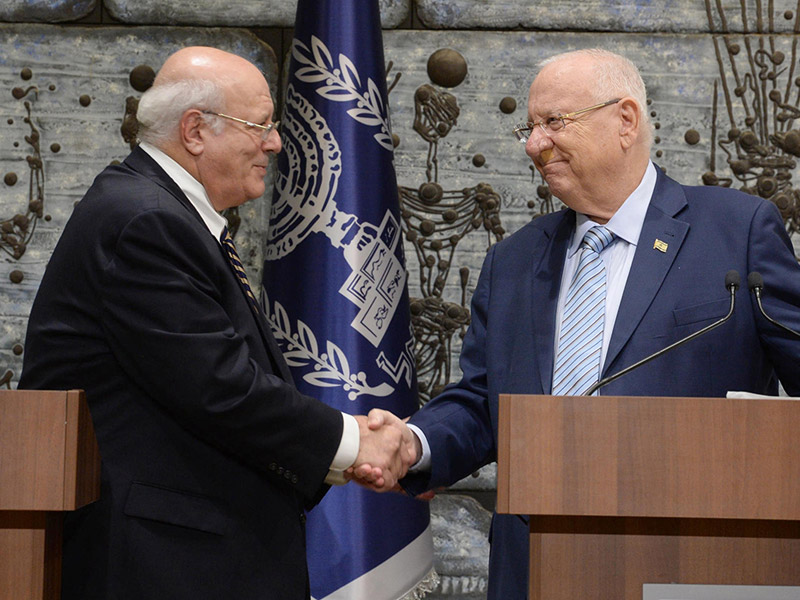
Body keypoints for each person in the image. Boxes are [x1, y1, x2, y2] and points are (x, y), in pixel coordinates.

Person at [359, 48, 800, 599]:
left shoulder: (738, 232)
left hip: (698, 562)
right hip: (536, 569)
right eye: (530, 126)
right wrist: (415, 442)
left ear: (626, 120)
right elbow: (482, 403)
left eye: (553, 123)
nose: (532, 144)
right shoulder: (513, 261)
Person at [18, 46, 413, 600]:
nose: (275, 143)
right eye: (261, 126)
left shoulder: (158, 212)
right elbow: (220, 388)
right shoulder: (146, 222)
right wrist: (356, 444)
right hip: (164, 566)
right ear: (196, 130)